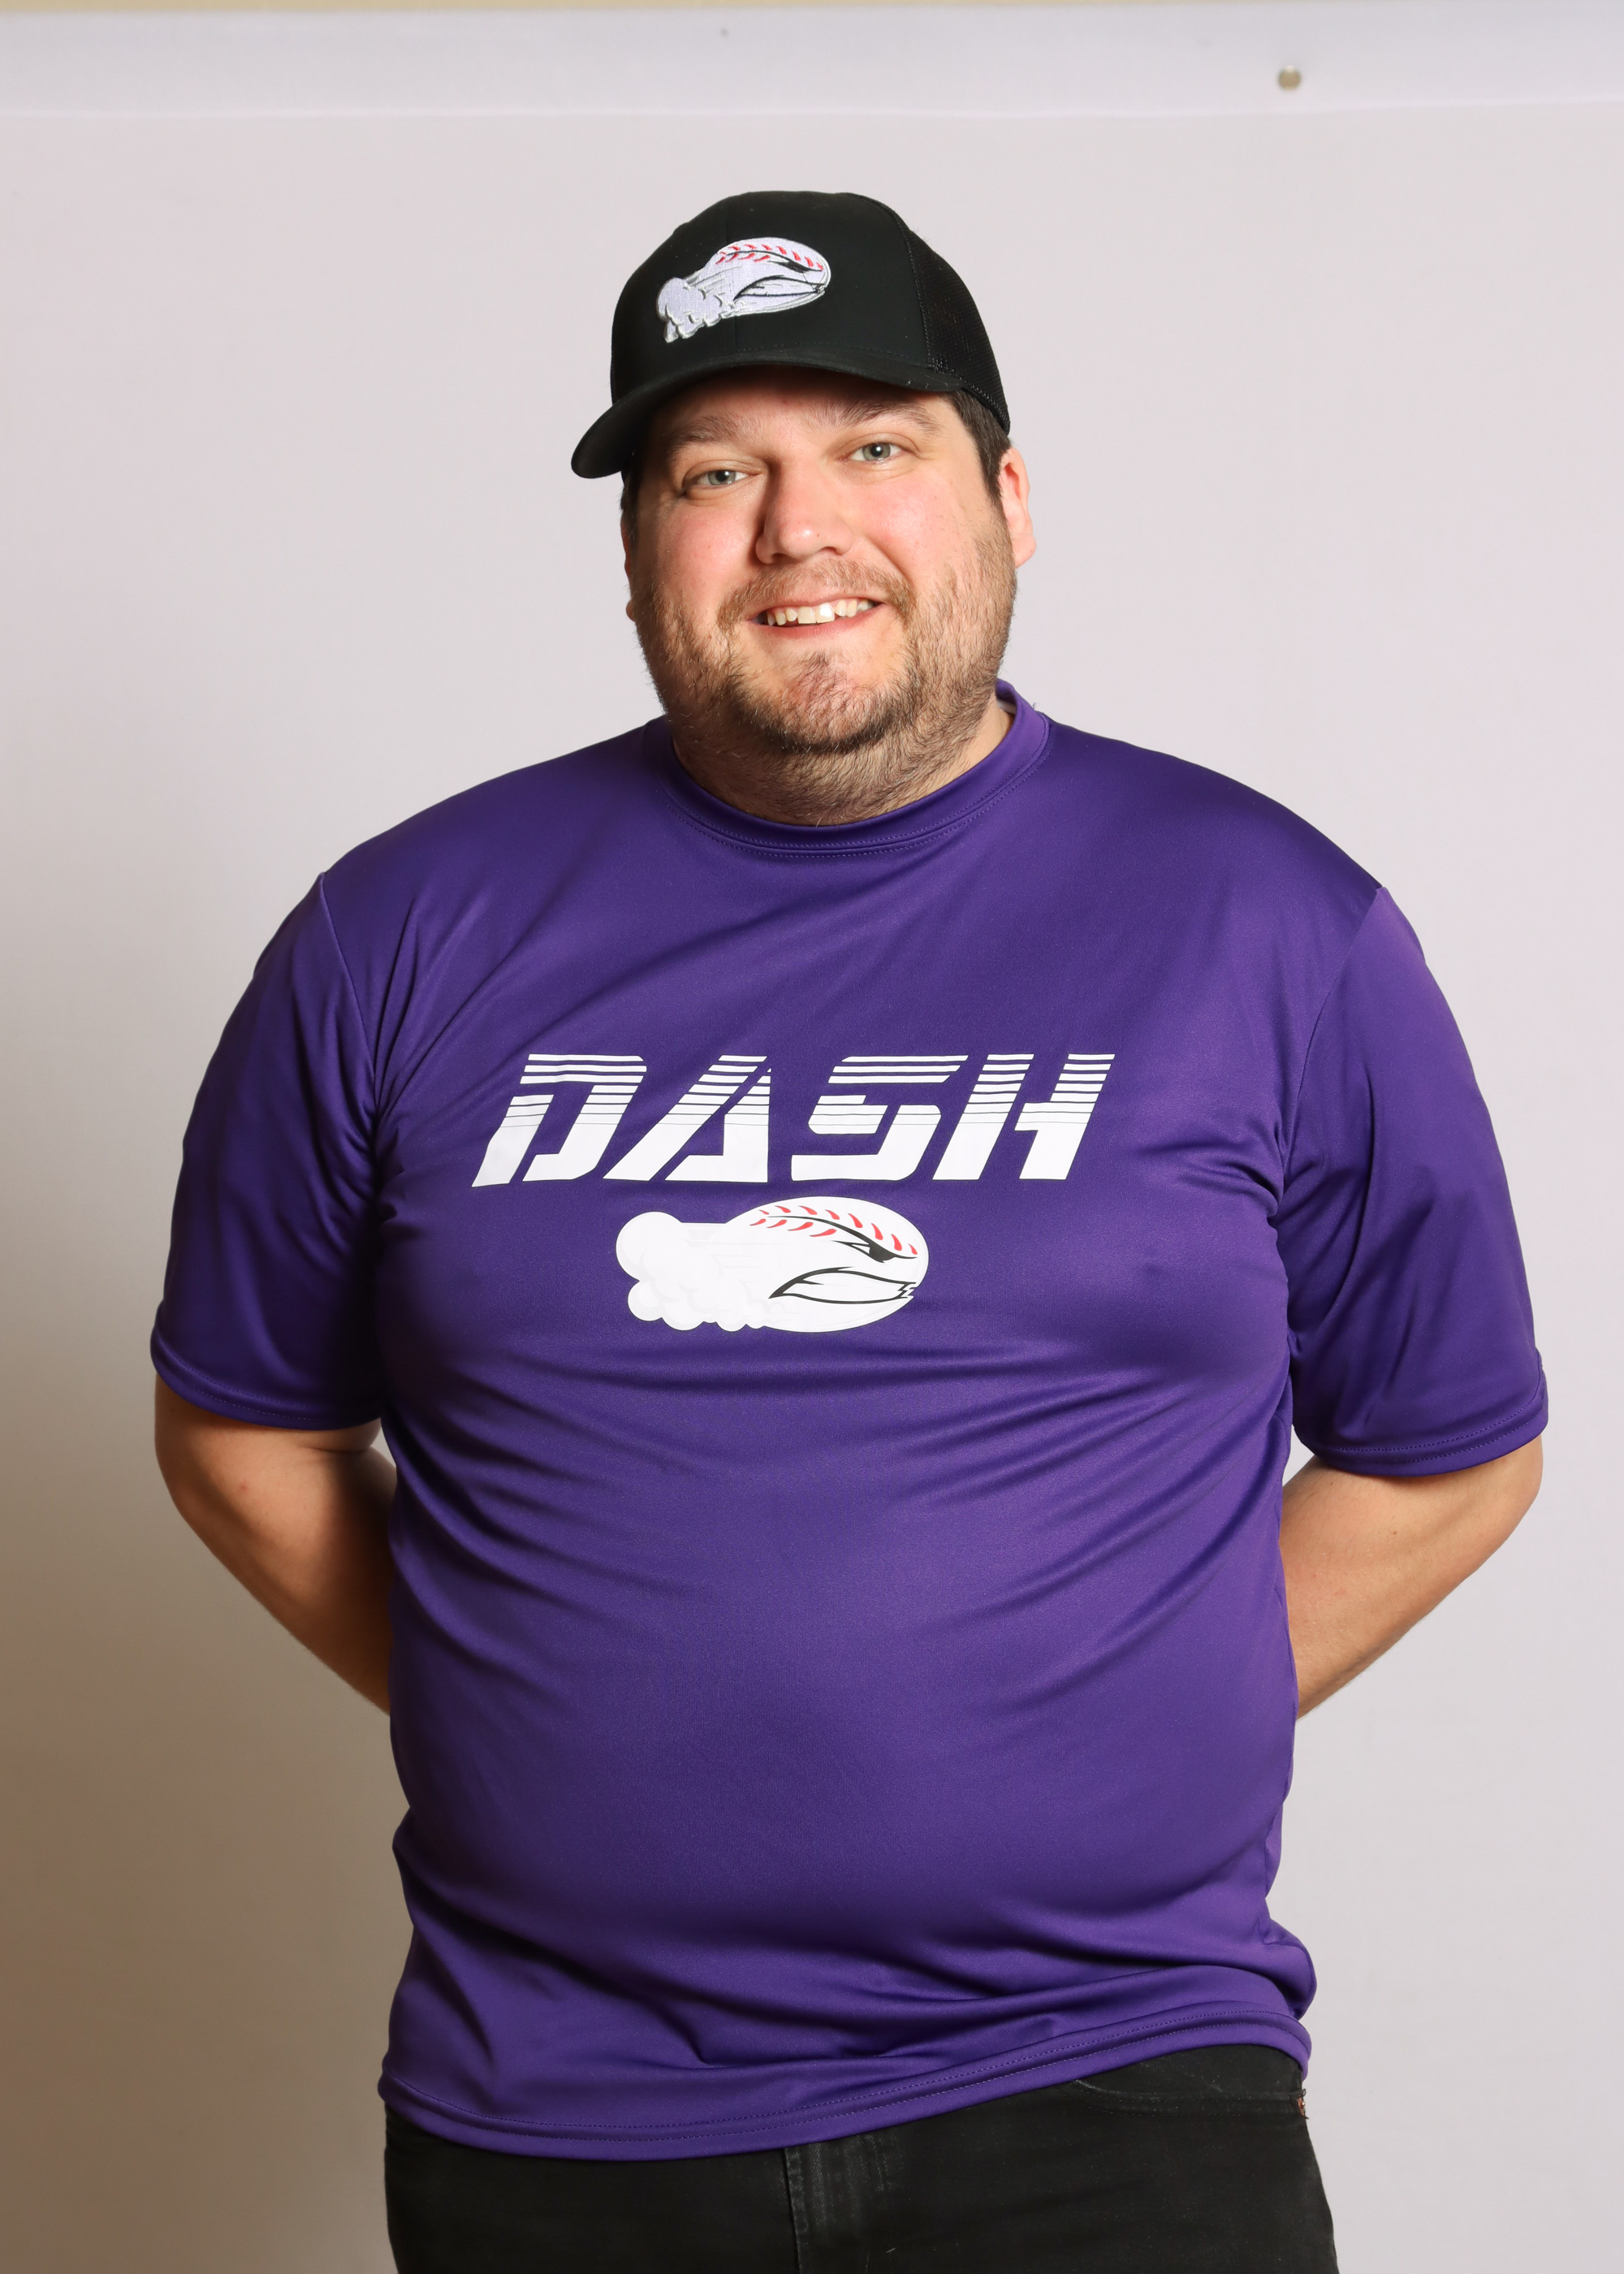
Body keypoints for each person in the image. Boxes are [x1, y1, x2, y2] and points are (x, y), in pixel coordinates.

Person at [153, 192, 1545, 2273]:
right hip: (558, 2117)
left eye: (874, 446)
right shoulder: (398, 936)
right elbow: (240, 1428)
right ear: (641, 547)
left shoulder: (1268, 922)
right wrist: (513, 1698)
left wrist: (1124, 1706)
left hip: (1112, 2087)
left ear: (1007, 499)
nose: (799, 527)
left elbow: (1448, 1443)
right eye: (715, 472)